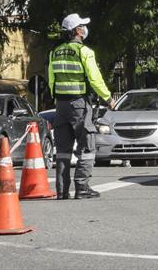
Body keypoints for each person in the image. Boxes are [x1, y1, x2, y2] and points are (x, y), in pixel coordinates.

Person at [48, 13, 116, 199]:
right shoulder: (84, 52)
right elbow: (95, 78)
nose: (85, 29)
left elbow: (51, 80)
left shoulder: (55, 52)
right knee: (87, 147)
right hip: (78, 104)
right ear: (77, 30)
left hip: (60, 106)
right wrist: (108, 98)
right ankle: (82, 187)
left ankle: (62, 190)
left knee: (62, 150)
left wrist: (58, 100)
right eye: (82, 26)